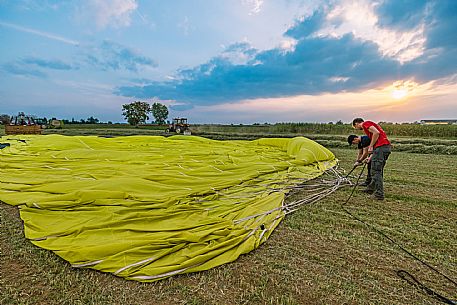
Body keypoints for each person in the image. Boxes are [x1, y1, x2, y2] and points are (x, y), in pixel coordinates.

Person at [352, 118, 391, 200]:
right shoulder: (370, 125)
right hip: (384, 148)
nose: (357, 129)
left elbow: (376, 133)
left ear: (356, 123)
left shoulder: (365, 124)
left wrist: (371, 146)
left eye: (355, 127)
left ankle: (379, 195)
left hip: (380, 148)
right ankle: (371, 189)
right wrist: (370, 157)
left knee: (375, 171)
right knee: (378, 170)